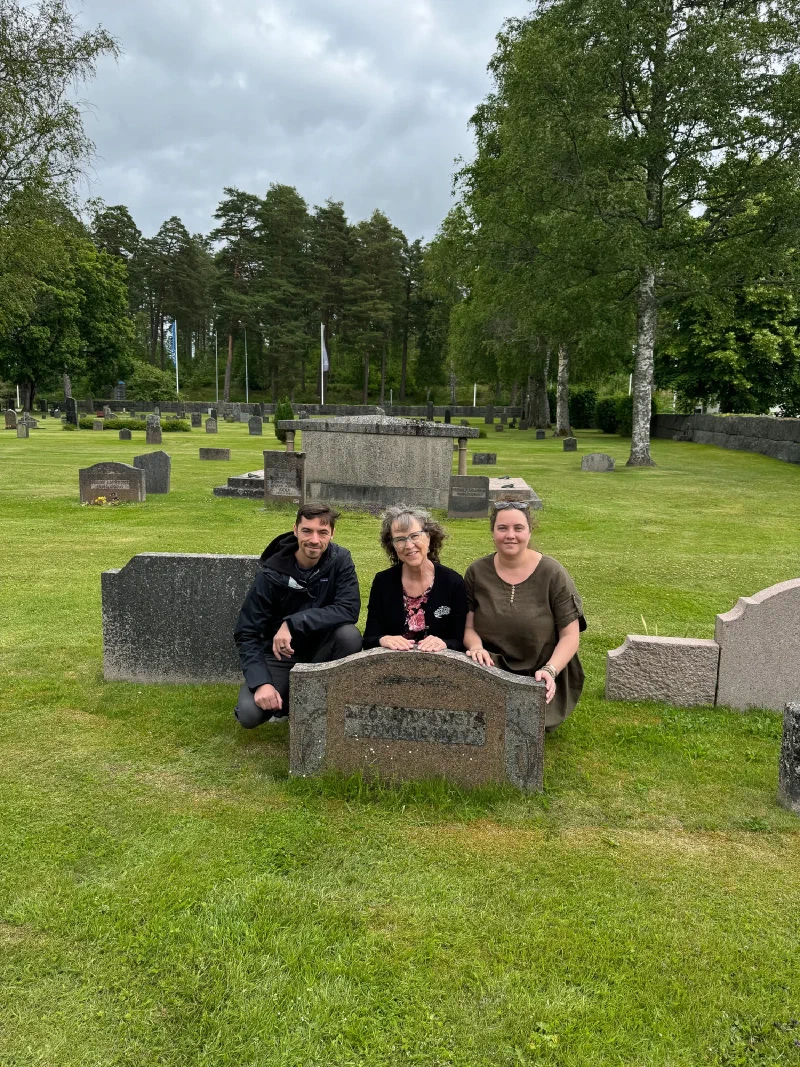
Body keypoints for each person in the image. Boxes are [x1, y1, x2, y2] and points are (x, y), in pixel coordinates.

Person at [233, 503, 362, 727]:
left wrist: (293, 623)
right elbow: (247, 632)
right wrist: (262, 683)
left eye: (322, 532)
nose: (314, 540)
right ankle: (289, 701)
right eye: (307, 531)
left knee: (349, 635)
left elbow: (349, 608)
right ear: (295, 530)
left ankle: (320, 702)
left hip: (322, 650)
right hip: (280, 656)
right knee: (249, 715)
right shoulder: (272, 571)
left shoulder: (340, 560)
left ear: (332, 533)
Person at [463, 501, 585, 729]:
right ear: (492, 532)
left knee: (523, 725)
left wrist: (550, 670)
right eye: (502, 528)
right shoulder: (476, 572)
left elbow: (570, 636)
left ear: (529, 531)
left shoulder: (553, 573)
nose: (510, 535)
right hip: (492, 666)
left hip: (540, 668)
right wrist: (476, 648)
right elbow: (469, 628)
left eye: (518, 528)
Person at [363, 505, 467, 652]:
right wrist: (384, 639)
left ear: (429, 538)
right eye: (400, 539)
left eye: (415, 536)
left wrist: (444, 643)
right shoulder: (382, 582)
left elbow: (461, 640)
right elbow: (368, 639)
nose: (409, 545)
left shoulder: (452, 582)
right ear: (392, 546)